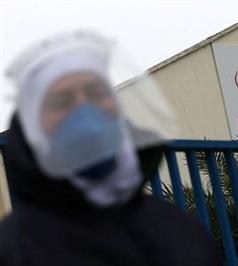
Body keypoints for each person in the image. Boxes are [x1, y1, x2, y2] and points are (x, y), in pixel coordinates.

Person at [0, 30, 222, 266]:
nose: (84, 110)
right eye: (61, 101)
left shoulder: (180, 228)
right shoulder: (14, 249)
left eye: (97, 93)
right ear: (33, 128)